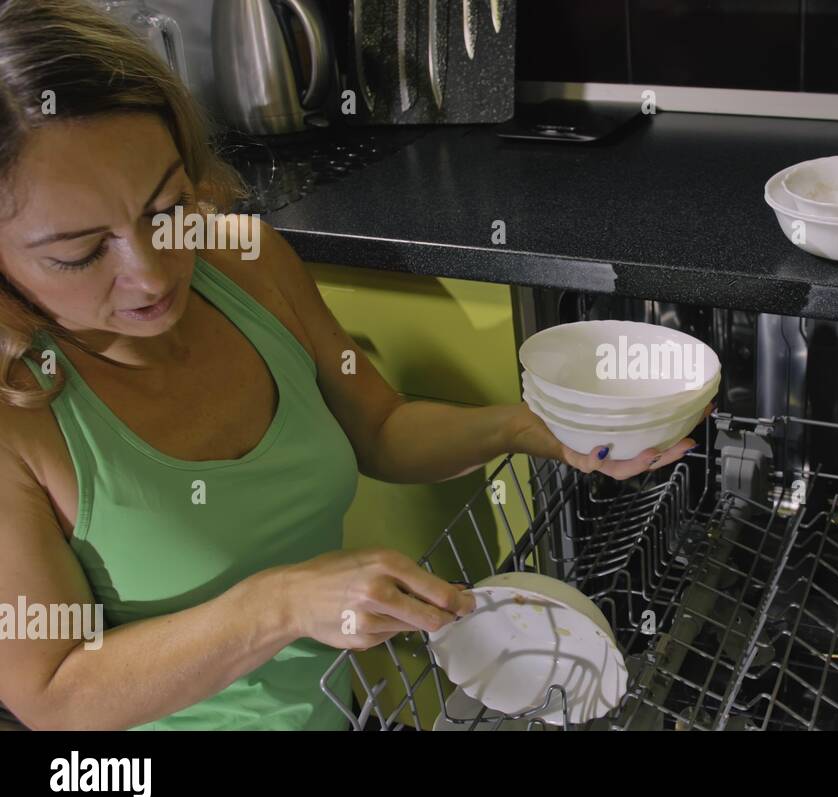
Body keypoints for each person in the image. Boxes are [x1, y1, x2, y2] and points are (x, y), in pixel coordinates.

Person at [0, 0, 695, 730]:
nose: (150, 271)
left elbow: (383, 426)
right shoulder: (17, 415)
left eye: (165, 206)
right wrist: (281, 604)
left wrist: (541, 429)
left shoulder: (244, 261)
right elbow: (53, 693)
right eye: (78, 252)